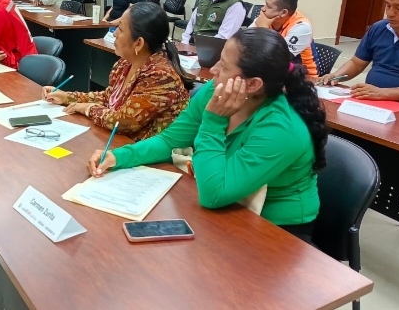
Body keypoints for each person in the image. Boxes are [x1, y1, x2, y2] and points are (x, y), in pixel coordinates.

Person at [88, 27, 328, 243]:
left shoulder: (280, 128)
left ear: (253, 84)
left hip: (276, 229)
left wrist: (213, 121)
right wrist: (119, 156)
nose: (213, 70)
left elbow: (214, 195)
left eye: (224, 66)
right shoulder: (215, 89)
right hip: (228, 206)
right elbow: (171, 141)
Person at [44, 2, 195, 141]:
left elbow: (124, 122)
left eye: (120, 29)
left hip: (148, 154)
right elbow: (108, 98)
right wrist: (67, 97)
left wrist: (89, 109)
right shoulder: (125, 63)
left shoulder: (161, 76)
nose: (114, 33)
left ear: (139, 43)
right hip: (121, 143)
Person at [250, 0, 318, 79]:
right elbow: (245, 44)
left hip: (302, 78)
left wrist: (264, 29)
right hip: (271, 72)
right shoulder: (265, 18)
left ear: (283, 13)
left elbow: (279, 59)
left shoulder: (302, 27)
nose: (263, 9)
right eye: (265, 4)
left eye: (268, 6)